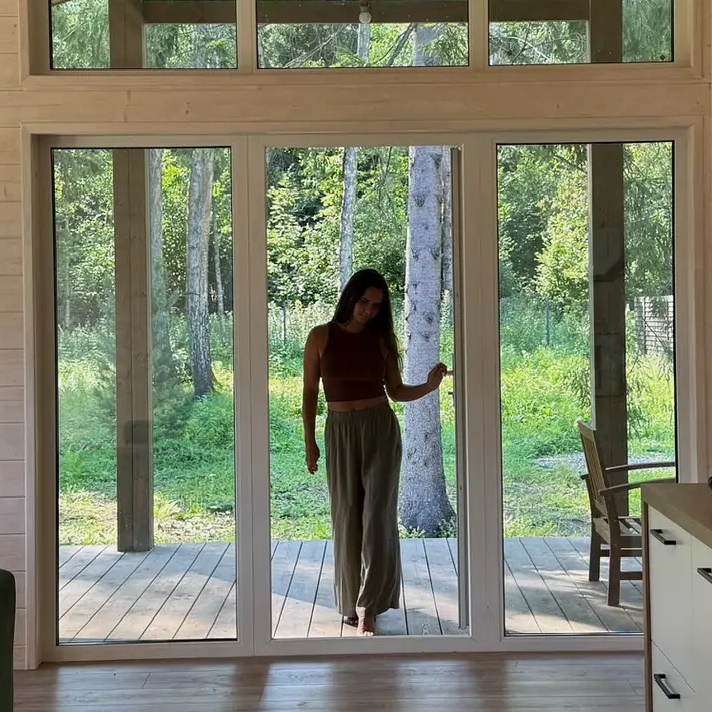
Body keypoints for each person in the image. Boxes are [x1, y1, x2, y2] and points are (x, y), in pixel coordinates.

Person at [301, 268, 447, 637]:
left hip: (379, 430)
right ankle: (350, 602)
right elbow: (309, 392)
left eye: (377, 305)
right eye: (364, 301)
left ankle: (370, 607)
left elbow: (395, 392)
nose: (368, 310)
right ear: (350, 298)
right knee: (347, 516)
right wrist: (309, 441)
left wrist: (428, 387)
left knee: (377, 518)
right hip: (339, 430)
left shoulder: (382, 340)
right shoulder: (320, 336)